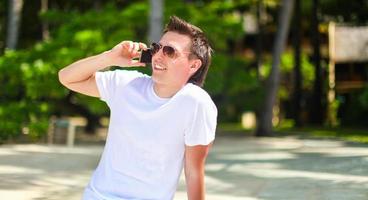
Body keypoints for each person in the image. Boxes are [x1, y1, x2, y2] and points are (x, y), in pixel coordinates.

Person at [58, 16, 217, 200]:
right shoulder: (126, 84)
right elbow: (67, 77)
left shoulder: (196, 103)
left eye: (170, 51)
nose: (158, 55)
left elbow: (194, 173)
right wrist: (110, 57)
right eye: (157, 48)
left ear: (194, 65)